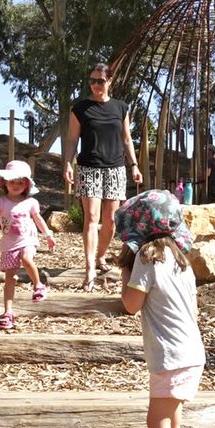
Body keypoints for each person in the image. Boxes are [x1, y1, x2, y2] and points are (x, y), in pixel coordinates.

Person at [114, 189, 204, 428]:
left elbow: (130, 305)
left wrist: (124, 273)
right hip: (189, 351)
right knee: (171, 422)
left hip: (171, 355)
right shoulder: (179, 255)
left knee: (157, 423)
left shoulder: (146, 257)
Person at [63, 63, 143, 291]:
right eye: (92, 80)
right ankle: (89, 269)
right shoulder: (80, 108)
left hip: (116, 168)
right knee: (91, 218)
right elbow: (72, 139)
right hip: (89, 167)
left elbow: (127, 139)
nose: (95, 84)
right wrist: (68, 163)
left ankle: (100, 256)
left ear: (110, 82)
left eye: (100, 80)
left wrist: (134, 165)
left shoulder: (121, 108)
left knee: (110, 221)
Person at [0, 159, 57, 331]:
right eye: (12, 181)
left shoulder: (30, 202)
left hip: (28, 240)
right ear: (5, 183)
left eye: (20, 182)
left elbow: (38, 220)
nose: (15, 185)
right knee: (10, 278)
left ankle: (38, 285)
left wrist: (48, 235)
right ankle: (8, 313)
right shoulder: (0, 202)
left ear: (26, 185)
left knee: (26, 258)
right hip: (9, 245)